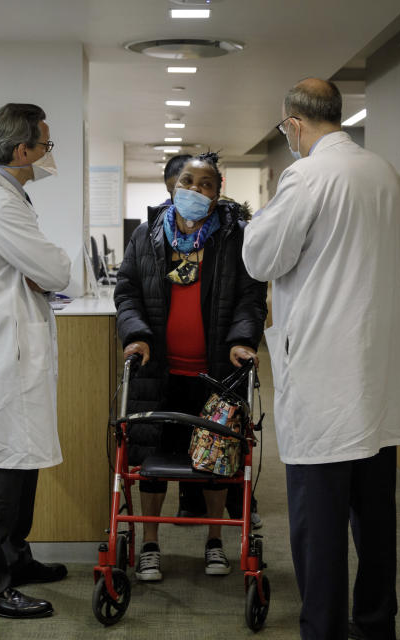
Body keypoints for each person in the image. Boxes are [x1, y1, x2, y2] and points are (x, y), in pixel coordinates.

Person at [242, 78, 400, 640]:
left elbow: (261, 258)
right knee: (375, 518)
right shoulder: (384, 173)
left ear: (293, 124)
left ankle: (324, 630)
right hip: (375, 377)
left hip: (324, 379)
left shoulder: (308, 174)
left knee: (318, 526)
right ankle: (375, 624)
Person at [115, 151, 267, 582]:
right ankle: (149, 545)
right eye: (188, 181)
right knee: (149, 459)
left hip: (217, 370)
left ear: (218, 193)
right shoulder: (146, 236)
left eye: (205, 184)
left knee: (216, 462)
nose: (195, 190)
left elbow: (251, 297)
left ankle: (216, 541)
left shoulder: (235, 238)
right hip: (157, 370)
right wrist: (136, 334)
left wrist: (242, 340)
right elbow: (127, 292)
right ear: (171, 186)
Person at [0, 103, 71, 619]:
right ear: (21, 151)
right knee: (4, 466)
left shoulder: (6, 197)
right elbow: (57, 269)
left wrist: (40, 273)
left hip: (16, 349)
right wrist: (44, 271)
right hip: (5, 355)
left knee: (22, 464)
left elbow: (43, 273)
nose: (49, 154)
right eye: (45, 145)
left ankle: (16, 559)